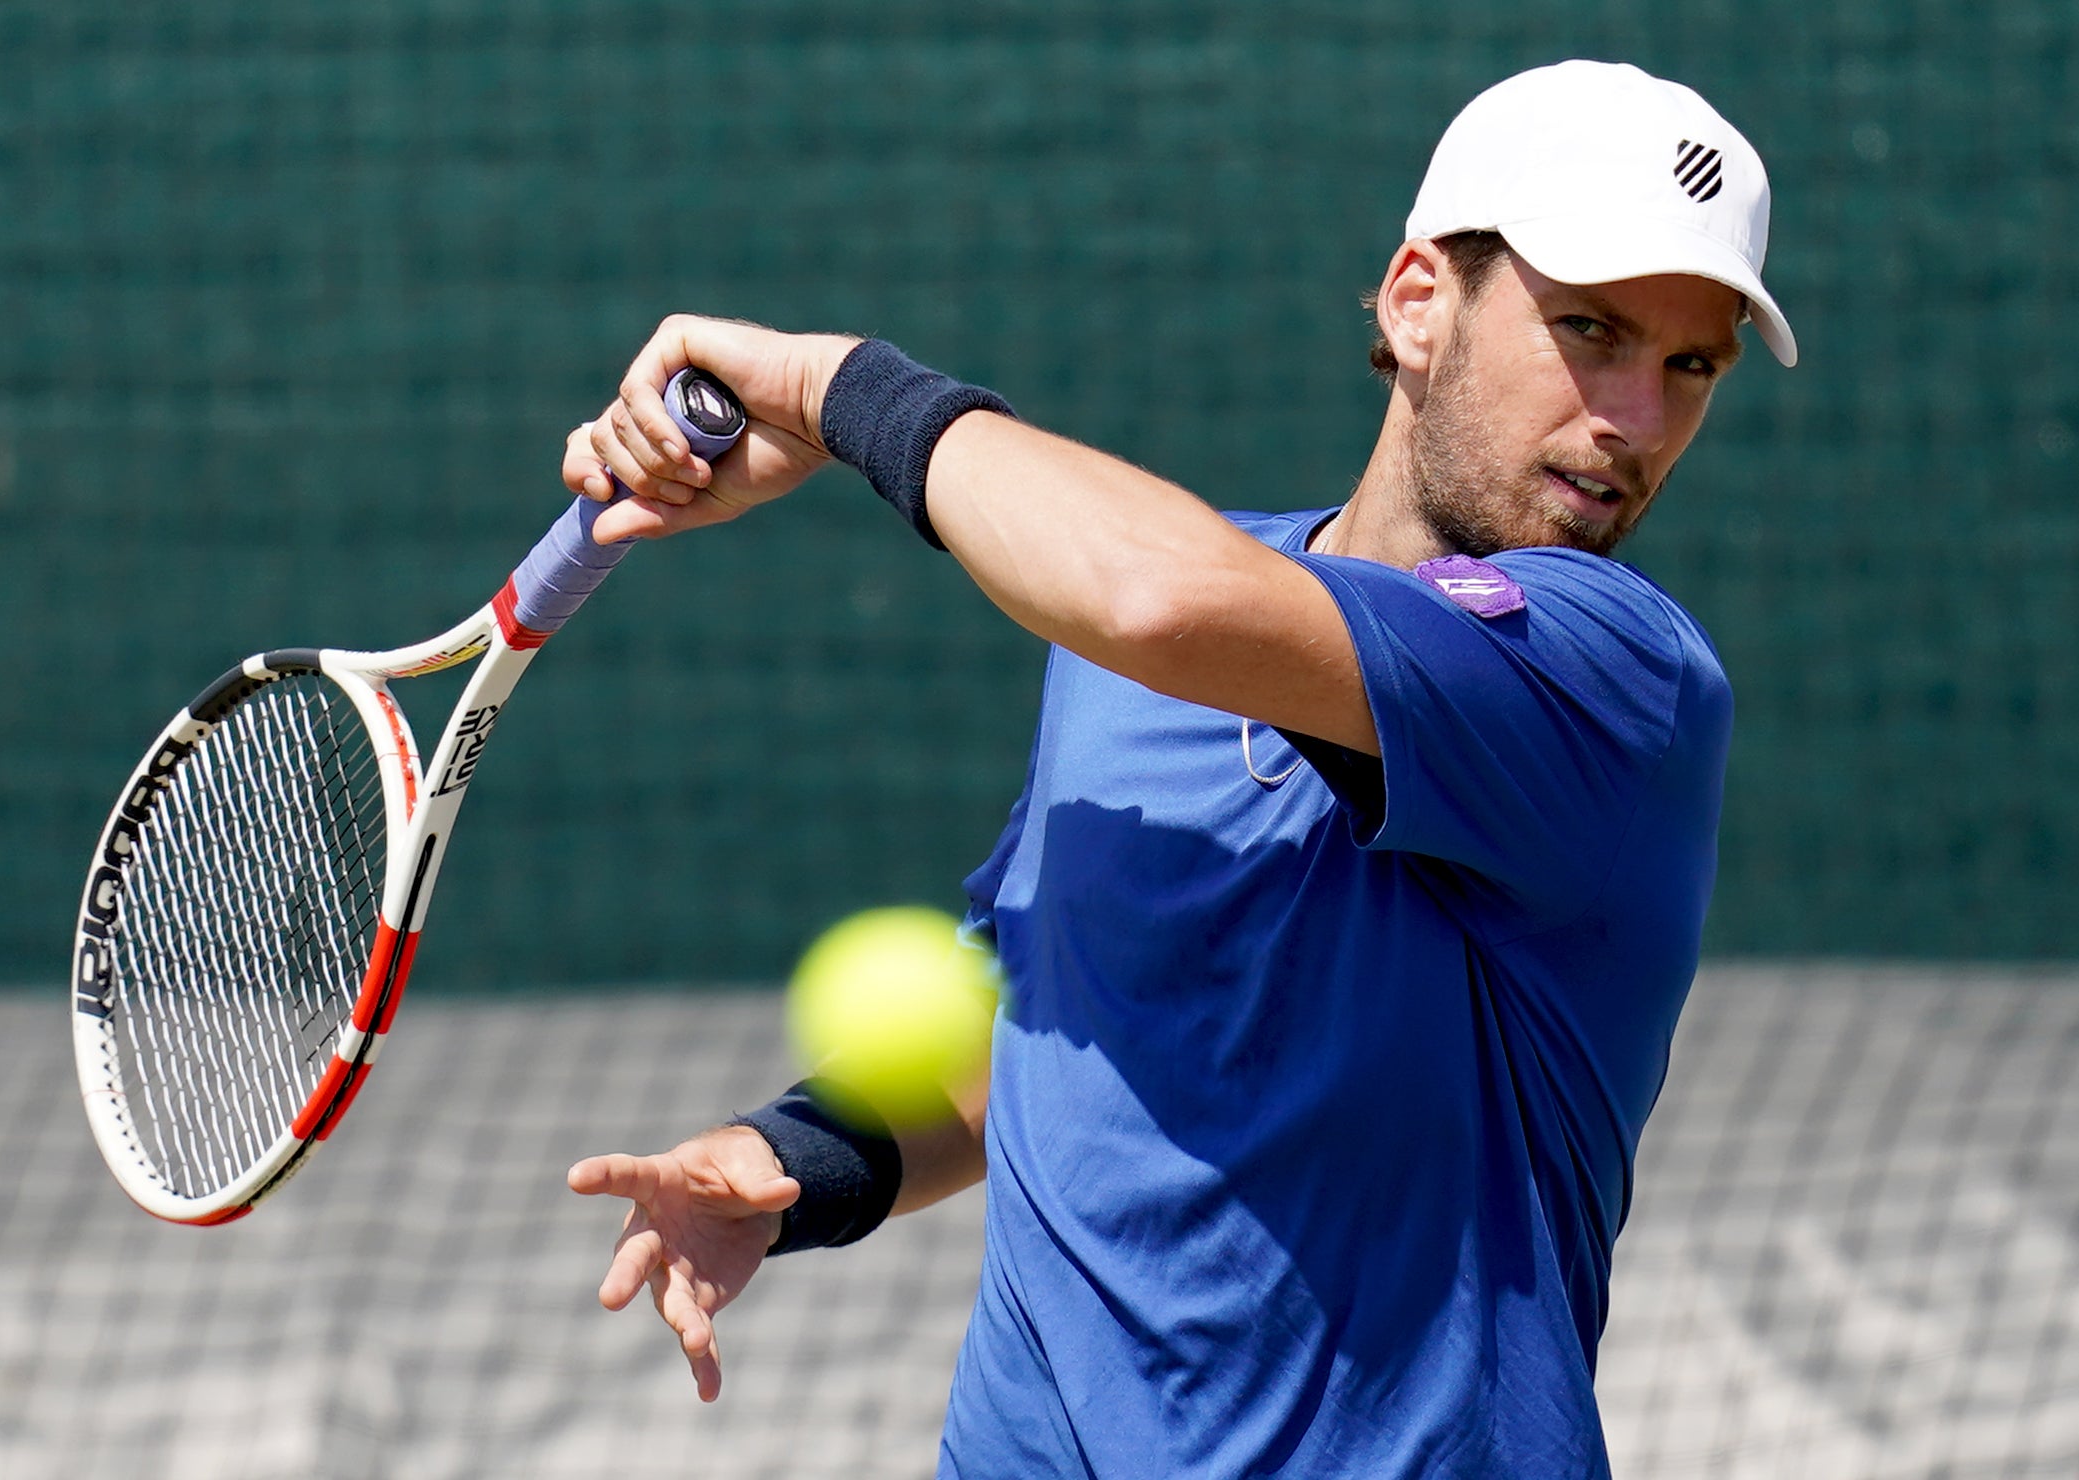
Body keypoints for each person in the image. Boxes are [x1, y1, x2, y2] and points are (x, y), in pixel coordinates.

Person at [562, 59, 1796, 1477]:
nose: (1635, 419)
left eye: (1688, 366)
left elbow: (1153, 594)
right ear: (1414, 305)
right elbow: (1041, 1009)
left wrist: (844, 394)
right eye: (1590, 330)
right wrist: (801, 1161)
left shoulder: (1608, 671)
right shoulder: (1126, 639)